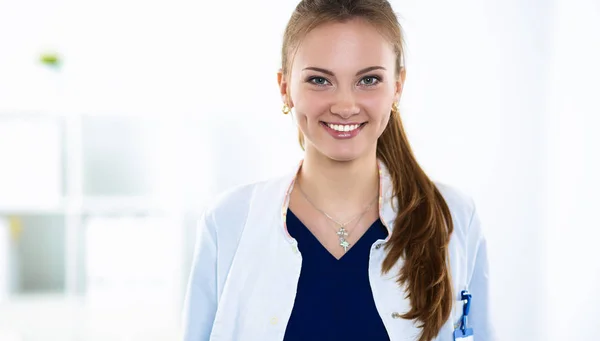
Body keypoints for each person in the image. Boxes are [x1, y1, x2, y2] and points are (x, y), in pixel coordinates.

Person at [182, 0, 495, 340]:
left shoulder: (453, 218)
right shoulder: (228, 222)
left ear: (398, 86)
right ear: (284, 87)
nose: (345, 106)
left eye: (369, 80)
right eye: (320, 80)